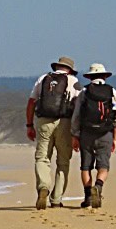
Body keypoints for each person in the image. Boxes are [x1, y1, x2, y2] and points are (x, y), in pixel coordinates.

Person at [26, 56, 82, 210]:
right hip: (65, 122)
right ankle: (56, 199)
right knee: (63, 161)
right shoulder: (73, 82)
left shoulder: (43, 79)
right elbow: (78, 108)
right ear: (70, 69)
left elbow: (31, 102)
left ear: (56, 66)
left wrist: (29, 125)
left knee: (42, 157)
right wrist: (76, 132)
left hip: (44, 121)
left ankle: (43, 187)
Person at [70, 63, 116, 209]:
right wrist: (115, 138)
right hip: (105, 133)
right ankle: (98, 187)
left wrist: (75, 135)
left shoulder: (84, 92)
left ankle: (87, 197)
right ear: (105, 76)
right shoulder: (112, 92)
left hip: (86, 134)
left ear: (89, 77)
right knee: (103, 167)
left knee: (85, 167)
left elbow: (77, 116)